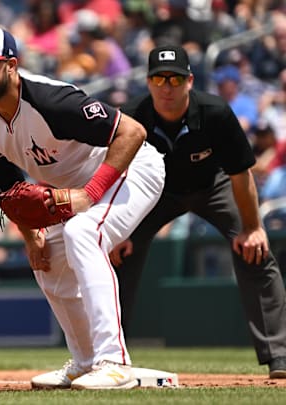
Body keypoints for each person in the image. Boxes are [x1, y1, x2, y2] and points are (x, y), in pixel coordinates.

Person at [0, 25, 165, 389]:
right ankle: (85, 362)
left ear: (11, 66)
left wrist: (90, 194)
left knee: (82, 232)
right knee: (48, 258)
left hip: (130, 169)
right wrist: (30, 234)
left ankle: (114, 362)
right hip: (73, 188)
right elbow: (5, 176)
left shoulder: (51, 102)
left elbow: (132, 132)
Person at [111, 45, 286, 379]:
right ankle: (107, 356)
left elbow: (241, 175)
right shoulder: (131, 117)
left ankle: (280, 355)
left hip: (213, 186)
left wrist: (252, 227)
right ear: (148, 82)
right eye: (159, 78)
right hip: (153, 193)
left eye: (175, 78)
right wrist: (118, 234)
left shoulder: (216, 112)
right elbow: (114, 174)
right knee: (117, 255)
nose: (167, 86)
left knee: (256, 251)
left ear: (189, 81)